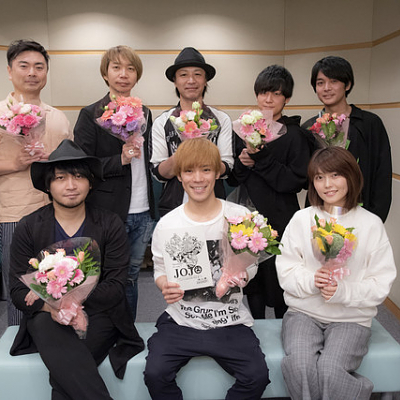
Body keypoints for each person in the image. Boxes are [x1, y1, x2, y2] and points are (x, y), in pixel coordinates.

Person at [9, 139, 144, 400]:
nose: (71, 185)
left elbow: (115, 286)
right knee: (47, 328)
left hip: (99, 313)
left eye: (79, 176)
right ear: (48, 185)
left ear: (90, 183)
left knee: (65, 376)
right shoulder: (29, 226)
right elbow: (18, 291)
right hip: (46, 316)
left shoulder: (109, 223)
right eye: (60, 178)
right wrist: (52, 307)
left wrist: (68, 302)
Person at [144, 138, 269, 400]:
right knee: (155, 374)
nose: (198, 178)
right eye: (189, 171)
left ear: (217, 173)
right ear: (179, 176)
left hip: (230, 320)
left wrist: (243, 274)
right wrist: (164, 285)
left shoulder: (239, 217)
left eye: (206, 170)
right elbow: (159, 269)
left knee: (257, 376)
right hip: (182, 320)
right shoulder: (168, 224)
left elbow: (253, 263)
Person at [276, 146, 396, 400]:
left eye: (335, 175)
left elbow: (381, 282)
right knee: (300, 365)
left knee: (330, 370)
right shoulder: (302, 219)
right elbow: (285, 270)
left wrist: (343, 291)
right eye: (319, 177)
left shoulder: (370, 224)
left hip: (351, 318)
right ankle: (356, 391)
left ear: (351, 176)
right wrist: (312, 280)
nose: (327, 184)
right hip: (303, 313)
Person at [74, 45, 155, 320]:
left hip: (143, 210)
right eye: (117, 68)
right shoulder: (91, 114)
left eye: (130, 69)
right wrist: (118, 159)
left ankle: (127, 331)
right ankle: (101, 331)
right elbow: (82, 166)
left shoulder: (145, 112)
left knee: (131, 277)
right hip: (107, 210)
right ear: (105, 74)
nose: (124, 74)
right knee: (103, 276)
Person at [229, 65, 310, 318]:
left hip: (282, 217)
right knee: (253, 281)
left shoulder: (295, 135)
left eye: (276, 93)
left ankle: (286, 328)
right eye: (264, 92)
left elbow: (294, 182)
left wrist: (261, 158)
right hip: (249, 215)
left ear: (287, 98)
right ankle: (256, 327)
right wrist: (243, 163)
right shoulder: (245, 129)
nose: (268, 99)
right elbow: (233, 179)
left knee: (281, 278)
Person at [0, 39, 72, 325]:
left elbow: (72, 165)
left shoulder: (58, 117)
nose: (32, 72)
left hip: (58, 214)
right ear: (9, 71)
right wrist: (15, 164)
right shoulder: (0, 115)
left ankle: (56, 340)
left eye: (39, 67)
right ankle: (19, 340)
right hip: (14, 214)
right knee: (20, 288)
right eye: (24, 66)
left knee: (60, 283)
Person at [302, 55, 392, 222]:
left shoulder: (369, 123)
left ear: (347, 84)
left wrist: (375, 219)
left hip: (361, 212)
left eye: (333, 81)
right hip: (320, 217)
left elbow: (382, 175)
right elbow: (304, 177)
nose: (326, 88)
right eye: (320, 83)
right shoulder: (309, 128)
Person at [149, 47, 234, 217]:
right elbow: (159, 173)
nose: (191, 80)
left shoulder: (221, 119)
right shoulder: (163, 121)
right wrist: (185, 150)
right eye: (183, 75)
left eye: (197, 74)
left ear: (205, 80)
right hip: (173, 208)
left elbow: (227, 168)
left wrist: (204, 149)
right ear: (175, 81)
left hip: (214, 206)